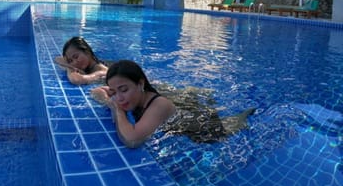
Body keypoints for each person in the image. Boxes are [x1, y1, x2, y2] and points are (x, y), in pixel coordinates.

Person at [91, 60, 255, 148]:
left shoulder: (158, 105)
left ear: (140, 84)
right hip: (182, 117)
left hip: (205, 130)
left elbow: (132, 139)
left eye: (124, 90)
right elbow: (96, 92)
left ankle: (242, 117)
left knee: (227, 132)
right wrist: (109, 94)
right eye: (114, 91)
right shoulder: (133, 97)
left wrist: (115, 108)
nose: (118, 97)